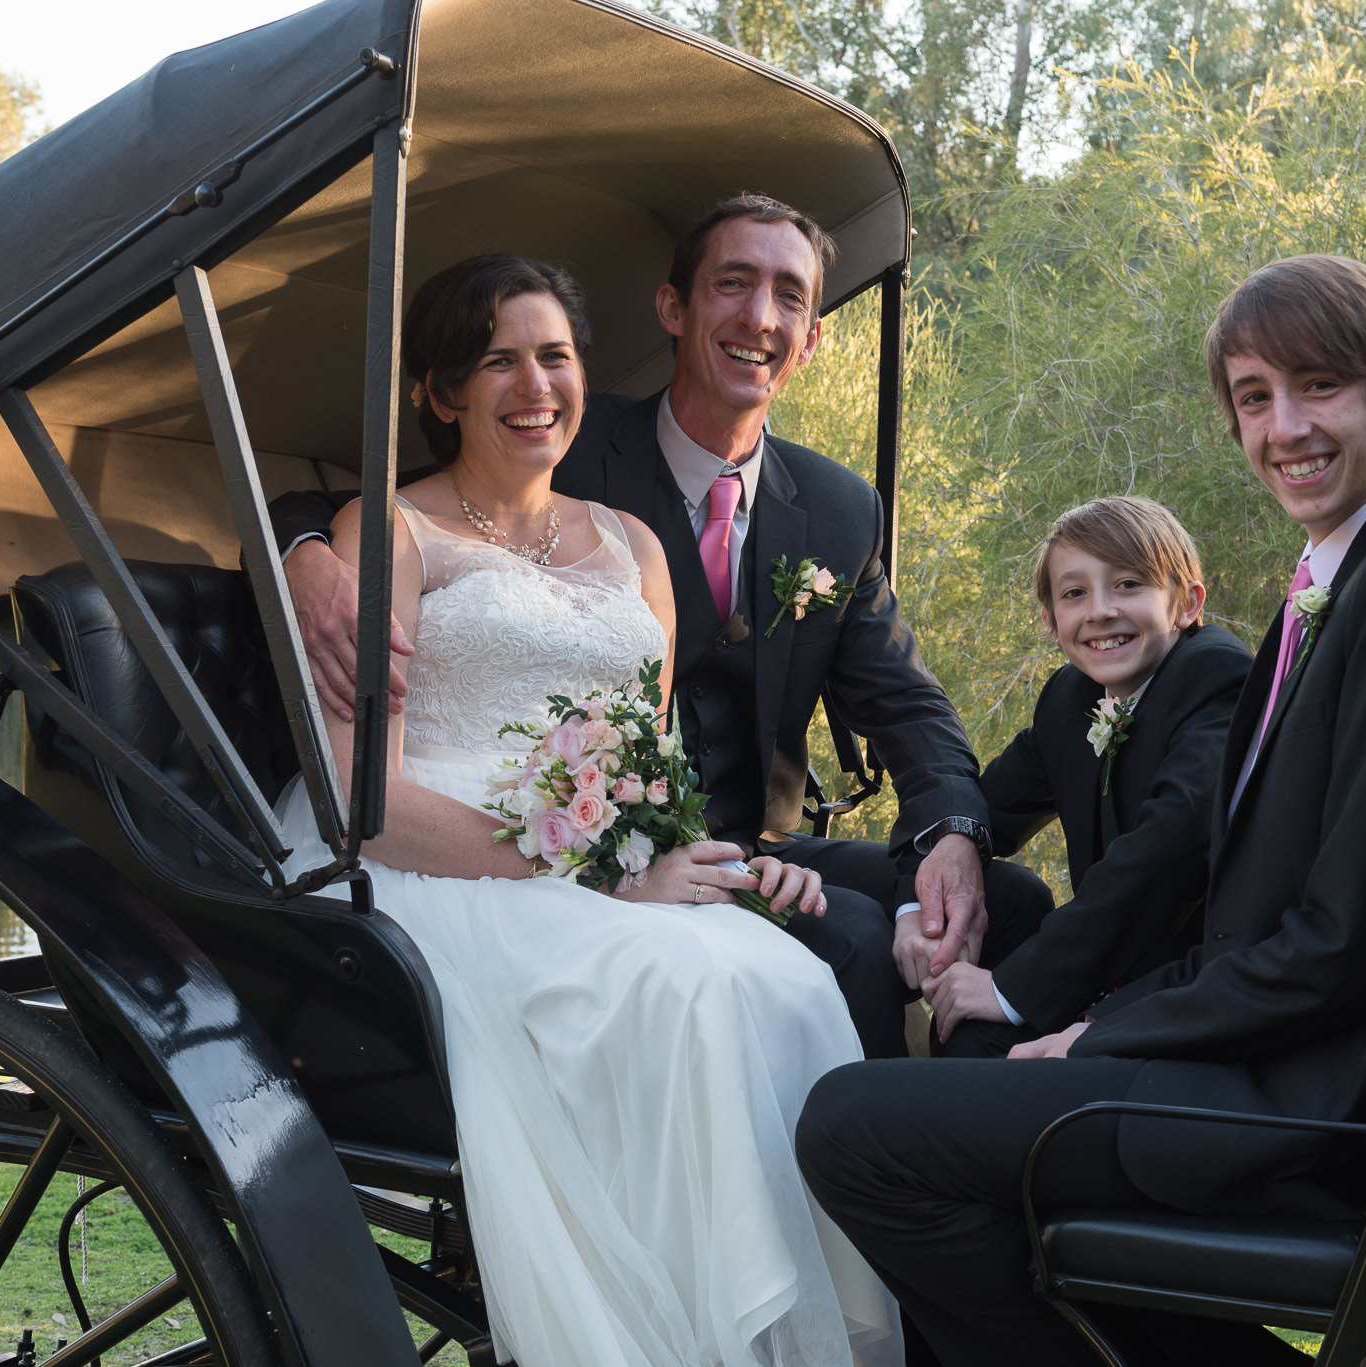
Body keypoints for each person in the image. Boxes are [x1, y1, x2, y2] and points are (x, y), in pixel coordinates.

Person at [795, 254, 1366, 1367]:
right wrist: (973, 874)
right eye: (1253, 398)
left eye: (1316, 386)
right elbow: (1246, 911)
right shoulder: (1339, 580)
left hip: (1291, 1100)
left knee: (851, 1128)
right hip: (1243, 1054)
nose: (1283, 428)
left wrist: (1099, 1029)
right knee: (952, 1083)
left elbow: (1339, 941)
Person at [277, 252, 901, 1367]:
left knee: (788, 977)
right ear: (441, 391)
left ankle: (764, 1335)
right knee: (680, 988)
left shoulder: (630, 541)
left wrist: (716, 861)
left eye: (554, 355)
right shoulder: (392, 532)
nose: (535, 384)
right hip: (436, 866)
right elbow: (357, 801)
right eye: (498, 360)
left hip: (604, 862)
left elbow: (648, 772)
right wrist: (589, 871)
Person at [271, 193, 1051, 1059]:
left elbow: (907, 703)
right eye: (733, 283)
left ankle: (963, 1140)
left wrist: (951, 834)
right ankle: (873, 1166)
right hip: (575, 844)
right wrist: (303, 552)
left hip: (724, 836)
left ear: (813, 336)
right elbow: (376, 501)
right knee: (858, 938)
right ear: (673, 309)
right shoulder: (562, 431)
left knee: (1010, 904)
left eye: (789, 295)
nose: (759, 316)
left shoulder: (836, 508)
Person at [924, 497, 1251, 1059]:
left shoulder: (1216, 681)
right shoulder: (1070, 698)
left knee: (977, 1045)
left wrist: (1010, 986)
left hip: (1195, 988)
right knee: (965, 1035)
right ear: (1052, 623)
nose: (1099, 611)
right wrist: (952, 846)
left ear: (1187, 604)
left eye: (1128, 584)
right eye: (1074, 593)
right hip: (1109, 973)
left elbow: (1165, 855)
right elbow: (991, 804)